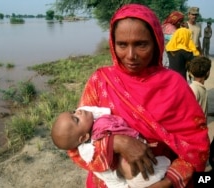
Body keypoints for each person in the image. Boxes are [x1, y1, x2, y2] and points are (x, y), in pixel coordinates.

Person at [68, 4, 210, 188]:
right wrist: (116, 142)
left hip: (160, 179)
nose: (130, 55)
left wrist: (169, 181)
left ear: (156, 42)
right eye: (122, 45)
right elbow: (74, 145)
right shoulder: (100, 81)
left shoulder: (174, 84)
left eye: (141, 44)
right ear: (113, 43)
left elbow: (197, 145)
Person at [51, 106, 170, 188]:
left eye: (73, 111)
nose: (79, 111)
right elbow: (99, 163)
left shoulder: (91, 121)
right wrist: (115, 142)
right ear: (83, 138)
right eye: (76, 119)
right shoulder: (89, 151)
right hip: (137, 175)